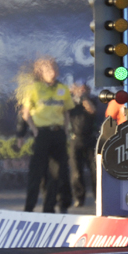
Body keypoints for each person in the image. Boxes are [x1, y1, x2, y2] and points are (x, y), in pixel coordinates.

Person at [21, 58, 74, 213]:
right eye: (48, 70)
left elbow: (67, 111)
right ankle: (29, 207)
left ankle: (49, 207)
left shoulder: (62, 88)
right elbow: (26, 113)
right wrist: (34, 130)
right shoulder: (34, 89)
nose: (52, 73)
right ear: (41, 73)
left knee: (56, 173)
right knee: (36, 172)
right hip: (42, 133)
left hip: (58, 133)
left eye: (54, 69)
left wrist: (66, 129)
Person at [68, 81, 99, 207]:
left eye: (84, 89)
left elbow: (92, 110)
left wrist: (83, 98)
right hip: (75, 139)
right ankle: (79, 198)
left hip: (90, 139)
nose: (82, 91)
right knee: (76, 171)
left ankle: (98, 197)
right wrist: (71, 94)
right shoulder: (71, 102)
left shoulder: (92, 100)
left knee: (95, 170)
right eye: (79, 89)